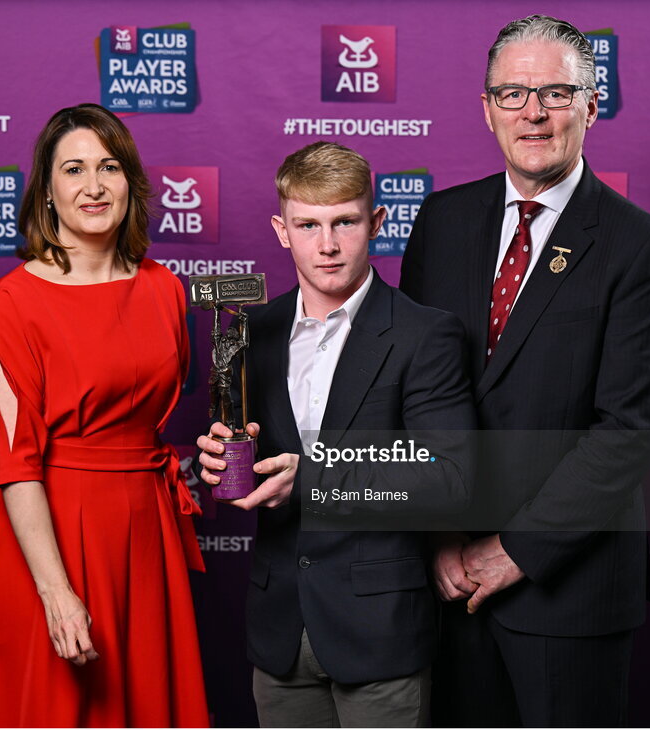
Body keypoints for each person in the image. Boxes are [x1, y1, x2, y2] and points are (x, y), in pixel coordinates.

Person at [400, 15, 650, 727]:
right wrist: (437, 539)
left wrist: (513, 552)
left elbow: (626, 433)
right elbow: (409, 390)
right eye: (512, 93)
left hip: (569, 593)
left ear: (592, 105)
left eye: (555, 93)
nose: (532, 112)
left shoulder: (640, 248)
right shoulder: (442, 221)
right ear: (486, 108)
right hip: (447, 582)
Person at [0, 103, 208, 728]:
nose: (94, 186)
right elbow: (16, 463)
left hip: (145, 536)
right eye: (74, 169)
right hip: (46, 541)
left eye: (109, 167)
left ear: (130, 184)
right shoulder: (11, 304)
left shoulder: (165, 287)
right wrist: (56, 593)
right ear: (47, 192)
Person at [197, 141, 476, 727]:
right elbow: (241, 454)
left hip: (378, 631)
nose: (326, 245)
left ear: (376, 222)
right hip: (278, 628)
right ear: (282, 230)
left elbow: (452, 482)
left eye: (345, 222)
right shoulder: (250, 331)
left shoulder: (426, 336)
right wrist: (218, 466)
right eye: (308, 225)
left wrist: (311, 481)